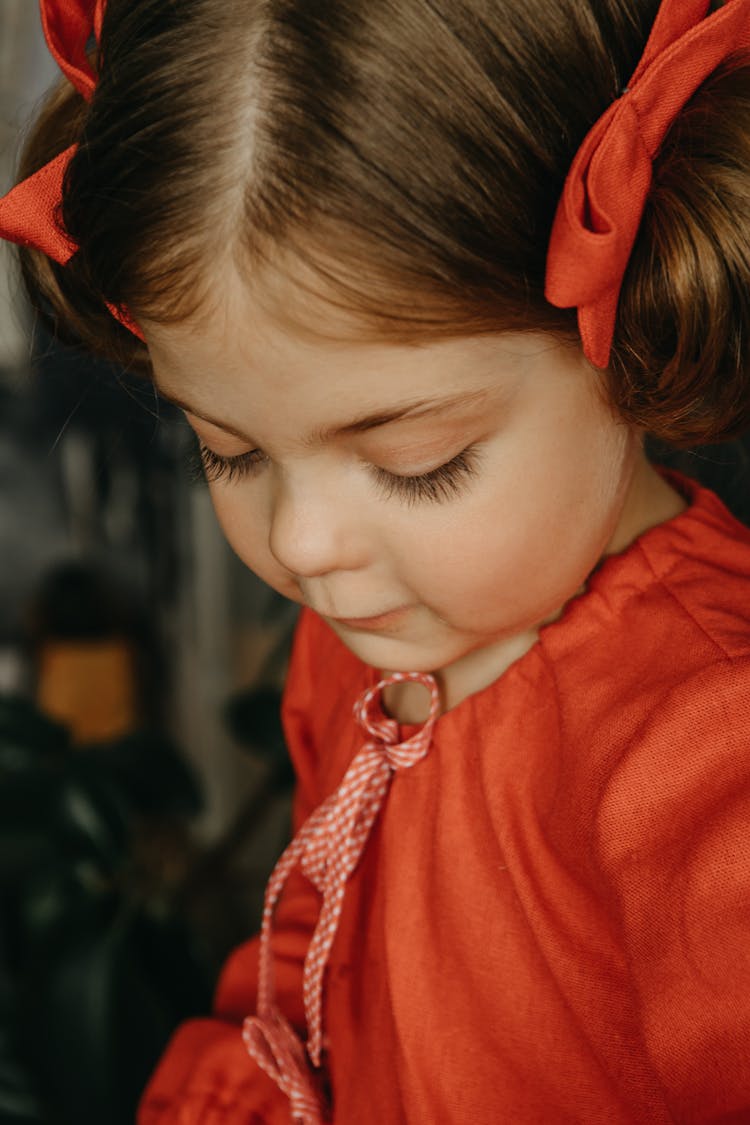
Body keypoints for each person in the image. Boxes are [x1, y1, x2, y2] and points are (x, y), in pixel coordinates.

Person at [2, 0, 750, 1120]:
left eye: (420, 464)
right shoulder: (370, 632)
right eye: (230, 449)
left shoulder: (711, 752)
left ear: (636, 321)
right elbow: (320, 925)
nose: (304, 544)